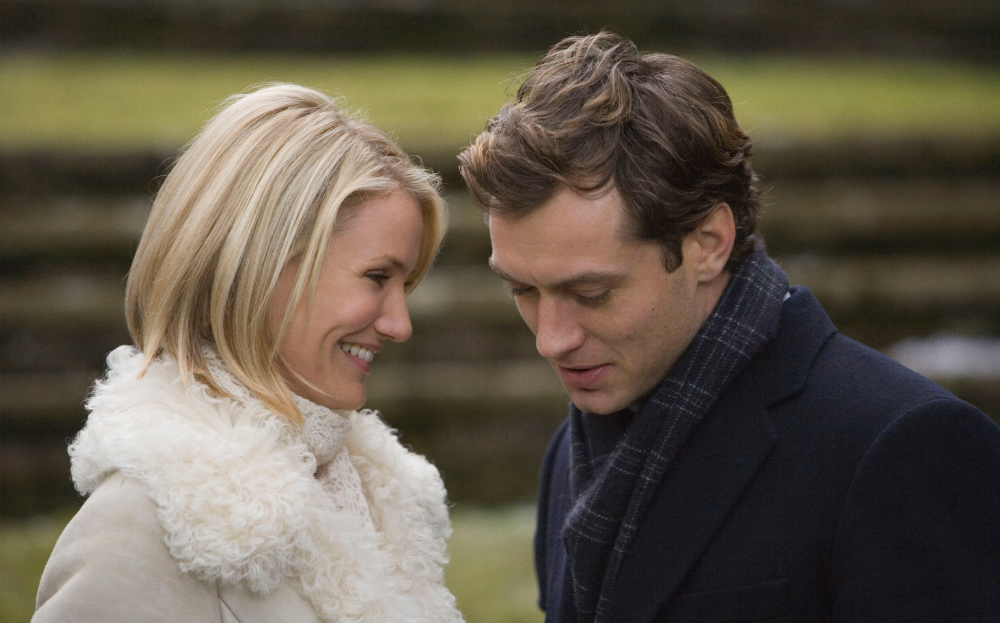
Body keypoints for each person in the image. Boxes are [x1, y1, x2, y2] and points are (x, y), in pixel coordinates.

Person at [459, 32, 1000, 623]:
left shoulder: (906, 448)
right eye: (521, 290)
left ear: (709, 243)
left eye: (591, 293)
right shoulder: (572, 449)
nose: (550, 339)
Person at [34, 84, 464, 623]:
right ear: (260, 264)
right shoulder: (139, 527)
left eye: (406, 286)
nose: (400, 325)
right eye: (377, 277)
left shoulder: (388, 498)